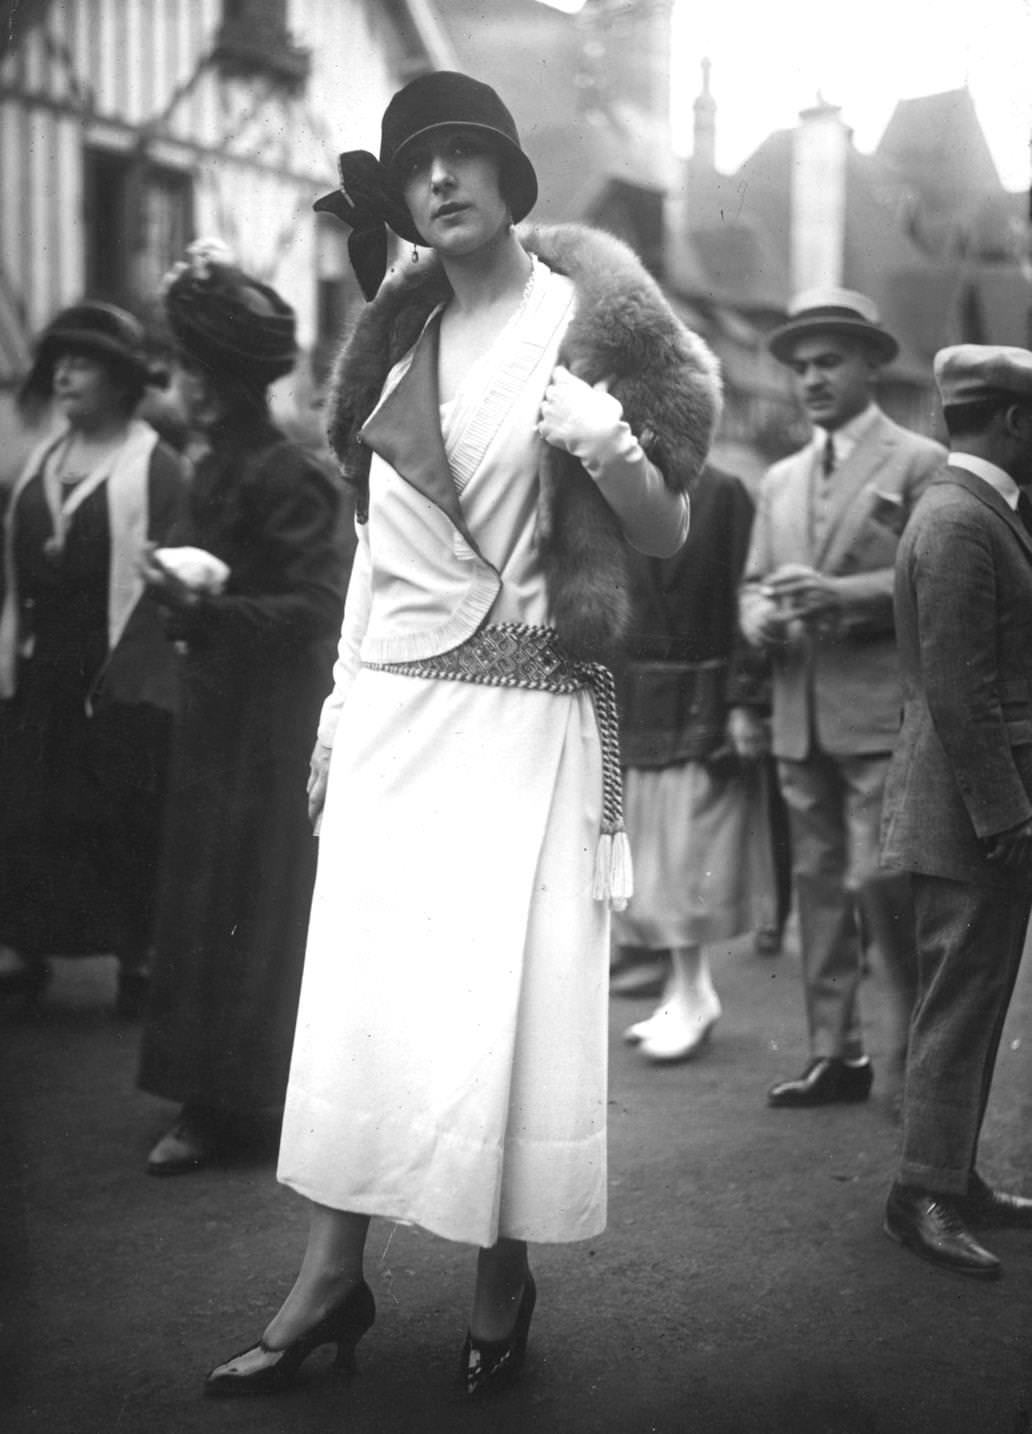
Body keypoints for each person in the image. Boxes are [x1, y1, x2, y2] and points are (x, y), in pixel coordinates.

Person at [204, 71, 720, 1400]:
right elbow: (378, 558)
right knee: (365, 1004)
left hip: (527, 715)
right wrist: (335, 712)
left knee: (503, 1004)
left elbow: (663, 529)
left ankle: (501, 1272)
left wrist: (607, 441)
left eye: (462, 154)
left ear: (506, 174)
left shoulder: (591, 328)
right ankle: (332, 1277)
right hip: (393, 711)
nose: (439, 179)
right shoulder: (398, 334)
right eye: (416, 162)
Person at [137, 243, 346, 1174]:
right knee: (200, 899)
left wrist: (210, 611)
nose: (176, 386)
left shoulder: (289, 473)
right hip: (215, 717)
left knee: (252, 903)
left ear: (219, 383)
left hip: (271, 727)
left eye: (186, 371)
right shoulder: (207, 468)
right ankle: (204, 1091)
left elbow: (320, 608)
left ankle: (245, 1103)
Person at [740, 288, 944, 1108]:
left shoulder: (918, 462)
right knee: (819, 893)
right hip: (800, 716)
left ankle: (911, 1064)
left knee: (880, 885)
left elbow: (938, 585)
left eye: (829, 362)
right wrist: (761, 617)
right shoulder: (781, 479)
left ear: (870, 364)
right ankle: (837, 1054)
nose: (811, 380)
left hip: (876, 714)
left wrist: (841, 596)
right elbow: (754, 585)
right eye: (800, 367)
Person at [880, 345, 1032, 1278]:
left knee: (976, 997)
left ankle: (952, 1175)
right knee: (959, 1001)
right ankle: (921, 1195)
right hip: (971, 807)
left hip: (978, 802)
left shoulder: (976, 513)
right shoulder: (957, 522)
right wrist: (1005, 813)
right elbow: (958, 689)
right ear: (1013, 423)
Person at [0, 302, 186, 1017]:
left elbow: (168, 578)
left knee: (122, 817)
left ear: (122, 379)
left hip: (120, 672)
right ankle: (24, 947)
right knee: (31, 810)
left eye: (83, 363)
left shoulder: (155, 469)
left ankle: (138, 956)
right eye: (60, 364)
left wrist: (136, 673)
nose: (65, 376)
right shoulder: (39, 464)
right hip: (45, 670)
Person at [615, 464, 776, 1062]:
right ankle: (680, 989)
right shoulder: (616, 488)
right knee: (652, 855)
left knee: (686, 860)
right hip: (637, 697)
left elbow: (746, 595)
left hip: (703, 696)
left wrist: (744, 700)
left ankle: (696, 994)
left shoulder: (725, 492)